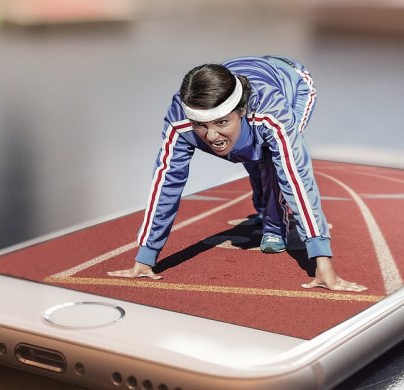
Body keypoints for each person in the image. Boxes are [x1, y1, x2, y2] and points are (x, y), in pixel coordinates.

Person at [108, 56, 366, 292]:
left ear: (240, 111)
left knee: (273, 159)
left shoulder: (270, 110)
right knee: (249, 155)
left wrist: (322, 260)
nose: (210, 136)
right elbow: (166, 183)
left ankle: (275, 226)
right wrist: (146, 256)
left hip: (293, 84)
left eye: (221, 122)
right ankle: (265, 206)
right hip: (243, 85)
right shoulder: (180, 120)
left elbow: (296, 177)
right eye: (201, 125)